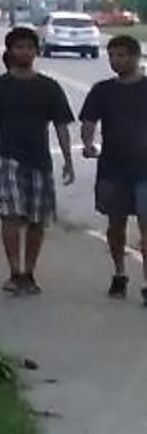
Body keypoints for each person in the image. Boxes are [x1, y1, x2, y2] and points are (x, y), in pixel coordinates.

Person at [0, 26, 78, 295]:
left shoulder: (49, 87)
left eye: (29, 47)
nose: (24, 51)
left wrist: (68, 160)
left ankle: (29, 272)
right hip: (6, 157)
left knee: (37, 220)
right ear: (10, 52)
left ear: (36, 51)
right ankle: (14, 271)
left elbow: (61, 125)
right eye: (19, 47)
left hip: (39, 160)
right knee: (10, 215)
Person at [80, 33, 147, 301]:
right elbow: (88, 120)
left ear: (135, 57)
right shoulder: (103, 90)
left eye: (121, 55)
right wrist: (87, 143)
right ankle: (119, 273)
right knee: (115, 225)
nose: (116, 60)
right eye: (112, 55)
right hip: (113, 166)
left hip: (145, 167)